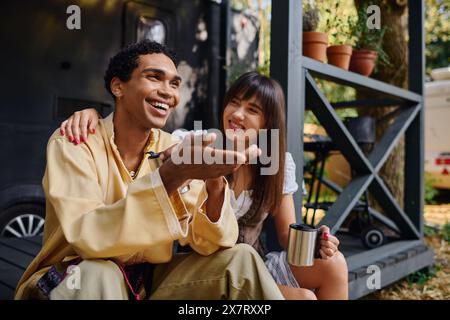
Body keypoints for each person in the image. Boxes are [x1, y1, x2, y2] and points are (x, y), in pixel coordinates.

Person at [15, 40, 285, 300]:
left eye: (175, 83)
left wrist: (213, 184)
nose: (169, 92)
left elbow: (211, 243)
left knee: (241, 258)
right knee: (99, 273)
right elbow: (87, 237)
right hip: (72, 277)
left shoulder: (175, 148)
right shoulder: (75, 142)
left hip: (147, 284)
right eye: (154, 77)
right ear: (118, 86)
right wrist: (168, 179)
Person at [60, 72, 349, 300]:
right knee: (303, 298)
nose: (237, 114)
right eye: (234, 102)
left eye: (252, 109)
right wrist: (94, 117)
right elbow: (150, 136)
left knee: (335, 264)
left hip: (254, 264)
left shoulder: (276, 163)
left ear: (268, 123)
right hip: (204, 268)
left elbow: (288, 235)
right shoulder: (201, 144)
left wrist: (320, 242)